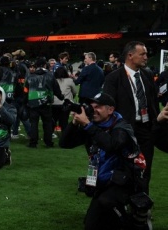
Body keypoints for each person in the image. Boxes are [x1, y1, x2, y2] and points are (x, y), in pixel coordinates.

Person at [59, 92, 152, 230]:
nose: (93, 110)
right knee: (92, 224)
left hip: (125, 181)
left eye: (98, 107)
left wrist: (87, 125)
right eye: (91, 106)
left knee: (106, 203)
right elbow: (65, 143)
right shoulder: (93, 126)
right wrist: (74, 123)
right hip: (103, 181)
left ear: (110, 110)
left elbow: (111, 145)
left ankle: (140, 221)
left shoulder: (121, 127)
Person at [102, 41, 159, 194]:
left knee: (145, 169)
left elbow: (153, 101)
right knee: (124, 168)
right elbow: (108, 107)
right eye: (143, 54)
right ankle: (123, 202)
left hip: (146, 130)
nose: (146, 57)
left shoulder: (147, 74)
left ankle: (142, 204)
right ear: (130, 55)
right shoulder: (114, 78)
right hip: (125, 132)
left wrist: (155, 123)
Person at [24, 58, 64, 148]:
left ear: (36, 66)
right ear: (45, 65)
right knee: (47, 124)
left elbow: (26, 91)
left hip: (33, 103)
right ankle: (48, 143)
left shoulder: (30, 77)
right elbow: (56, 89)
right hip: (46, 103)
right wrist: (61, 97)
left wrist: (25, 102)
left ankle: (33, 143)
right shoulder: (50, 76)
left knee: (34, 123)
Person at [51, 66, 77, 133]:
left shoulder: (53, 81)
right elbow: (74, 91)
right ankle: (64, 137)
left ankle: (49, 136)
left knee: (53, 120)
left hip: (54, 103)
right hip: (65, 104)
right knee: (64, 122)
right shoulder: (69, 80)